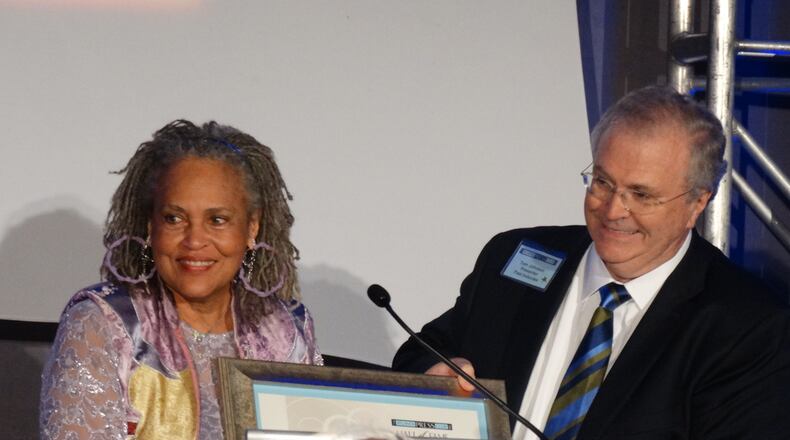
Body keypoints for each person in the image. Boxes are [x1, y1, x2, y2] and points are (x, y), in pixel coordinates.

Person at [392, 86, 790, 439]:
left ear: (697, 203)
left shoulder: (746, 328)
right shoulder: (514, 258)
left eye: (641, 195)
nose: (613, 210)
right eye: (603, 182)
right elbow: (422, 354)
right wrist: (437, 374)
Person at [40, 120, 323, 439]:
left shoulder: (287, 331)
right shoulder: (101, 325)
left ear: (251, 228)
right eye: (174, 218)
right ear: (151, 227)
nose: (194, 240)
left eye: (217, 220)